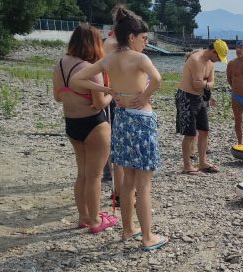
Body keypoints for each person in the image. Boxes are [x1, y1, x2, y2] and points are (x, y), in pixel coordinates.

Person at [71, 5, 168, 251]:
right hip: (141, 120)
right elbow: (157, 80)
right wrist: (145, 95)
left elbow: (76, 80)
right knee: (144, 183)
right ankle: (148, 237)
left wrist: (109, 91)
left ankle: (128, 230)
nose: (146, 42)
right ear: (132, 37)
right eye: (144, 38)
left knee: (126, 181)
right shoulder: (140, 58)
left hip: (122, 119)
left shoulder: (110, 59)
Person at [52, 23, 117, 233]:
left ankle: (84, 217)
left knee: (82, 173)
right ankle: (96, 221)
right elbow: (99, 103)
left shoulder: (60, 64)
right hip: (94, 125)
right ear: (94, 43)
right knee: (95, 175)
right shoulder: (89, 69)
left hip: (72, 124)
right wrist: (111, 94)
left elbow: (57, 96)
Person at [175, 40, 228, 176]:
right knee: (190, 133)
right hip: (186, 97)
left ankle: (202, 162)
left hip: (200, 98)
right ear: (213, 51)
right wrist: (206, 83)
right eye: (218, 57)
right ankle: (187, 166)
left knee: (204, 131)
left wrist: (204, 84)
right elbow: (196, 85)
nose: (218, 61)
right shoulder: (196, 59)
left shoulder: (210, 62)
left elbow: (210, 83)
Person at [101, 30, 123, 205]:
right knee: (114, 139)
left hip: (110, 93)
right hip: (112, 95)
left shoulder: (106, 43)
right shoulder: (113, 44)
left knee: (110, 137)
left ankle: (109, 175)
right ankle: (117, 187)